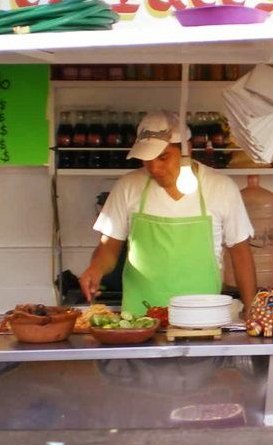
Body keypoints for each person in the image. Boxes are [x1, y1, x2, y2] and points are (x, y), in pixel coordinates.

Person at [79, 110, 257, 318]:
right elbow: (108, 248)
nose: (154, 167)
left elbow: (241, 254)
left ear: (186, 150)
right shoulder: (127, 187)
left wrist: (252, 308)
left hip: (203, 318)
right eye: (146, 159)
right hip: (140, 319)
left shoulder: (221, 188)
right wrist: (95, 269)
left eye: (163, 157)